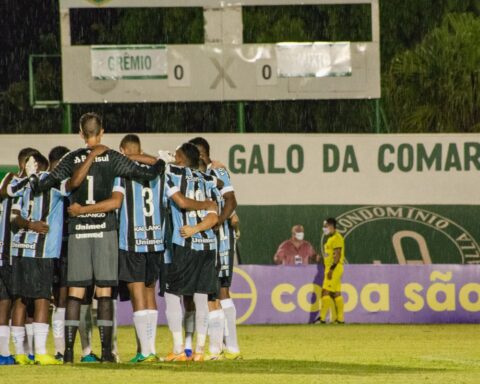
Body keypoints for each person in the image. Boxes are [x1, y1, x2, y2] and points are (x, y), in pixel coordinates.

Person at [31, 112, 166, 364]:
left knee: (75, 292)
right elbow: (148, 175)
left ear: (81, 134)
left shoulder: (71, 158)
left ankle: (69, 354)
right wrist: (159, 161)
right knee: (104, 292)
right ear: (102, 132)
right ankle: (106, 353)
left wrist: (34, 176)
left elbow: (45, 182)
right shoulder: (113, 158)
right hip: (105, 231)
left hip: (78, 232)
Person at [68, 134, 215, 363]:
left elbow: (116, 203)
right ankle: (152, 349)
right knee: (149, 296)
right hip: (156, 242)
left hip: (132, 241)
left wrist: (82, 211)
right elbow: (175, 202)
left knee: (137, 295)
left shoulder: (122, 174)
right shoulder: (161, 173)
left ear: (123, 150)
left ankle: (145, 351)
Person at [9, 153, 68, 365]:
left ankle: (20, 354)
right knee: (42, 298)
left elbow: (13, 218)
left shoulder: (21, 186)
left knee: (21, 300)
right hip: (42, 250)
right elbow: (73, 187)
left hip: (19, 250)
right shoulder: (55, 186)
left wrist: (28, 225)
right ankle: (41, 352)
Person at [163, 143, 220, 362]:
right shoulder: (207, 179)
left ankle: (178, 349)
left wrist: (191, 229)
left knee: (171, 294)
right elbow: (214, 216)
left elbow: (181, 202)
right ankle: (199, 351)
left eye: (175, 155)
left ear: (180, 158)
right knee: (201, 297)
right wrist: (200, 222)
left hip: (186, 245)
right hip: (208, 246)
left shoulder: (172, 174)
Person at [189, 137, 241, 359]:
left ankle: (219, 348)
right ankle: (227, 346)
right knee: (218, 292)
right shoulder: (214, 172)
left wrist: (217, 222)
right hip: (213, 238)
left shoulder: (218, 172)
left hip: (217, 240)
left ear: (200, 155)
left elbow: (231, 202)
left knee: (216, 292)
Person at [0, 148, 39, 365]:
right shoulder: (12, 179)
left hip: (21, 253)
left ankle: (26, 350)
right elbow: (7, 191)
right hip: (6, 252)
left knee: (23, 302)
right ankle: (6, 352)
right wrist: (27, 177)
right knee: (8, 302)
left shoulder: (34, 185)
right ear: (23, 163)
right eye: (31, 163)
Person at [318, 218, 345, 324]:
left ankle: (322, 319)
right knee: (337, 293)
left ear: (331, 225)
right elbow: (329, 254)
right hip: (333, 268)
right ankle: (340, 319)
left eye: (325, 226)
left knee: (325, 292)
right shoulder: (330, 238)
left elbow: (337, 254)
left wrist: (331, 269)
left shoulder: (337, 238)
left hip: (334, 268)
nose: (324, 228)